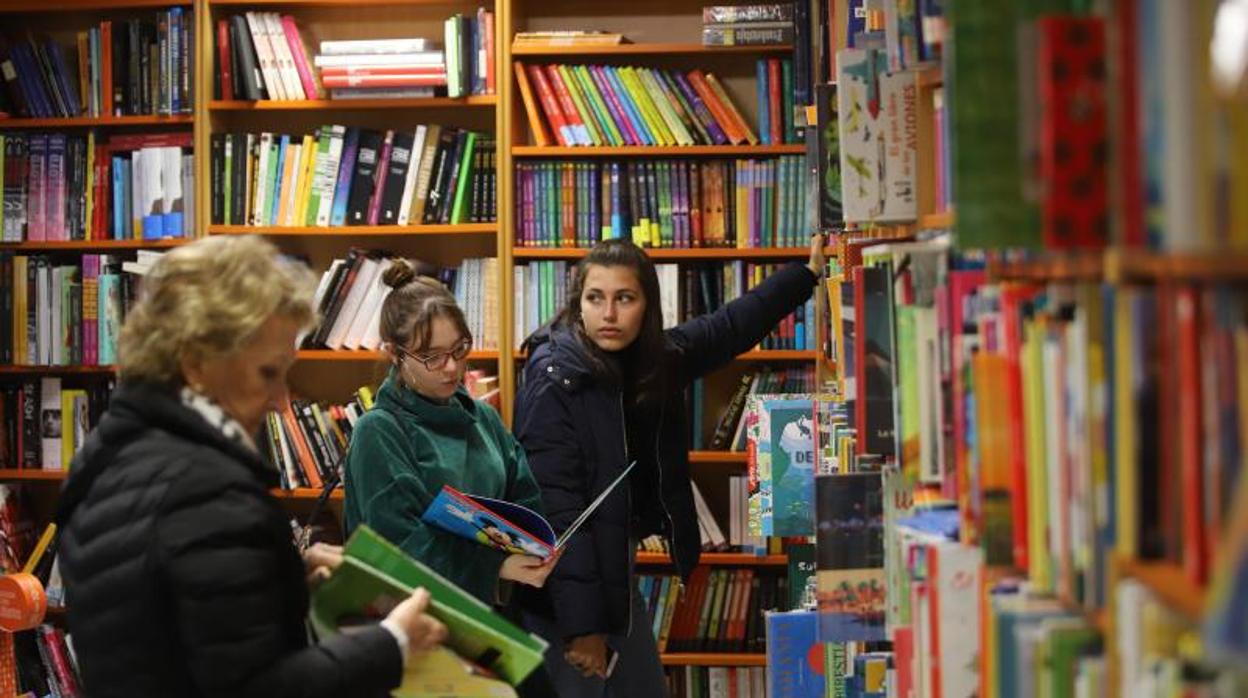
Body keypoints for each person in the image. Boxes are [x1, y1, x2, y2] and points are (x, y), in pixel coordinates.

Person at [55, 235, 447, 698]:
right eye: (267, 372)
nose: (283, 399)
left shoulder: (114, 454)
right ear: (197, 362)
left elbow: (170, 615)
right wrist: (392, 644)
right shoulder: (202, 488)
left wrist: (278, 573)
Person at [514, 235, 825, 696]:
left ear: (647, 306)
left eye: (625, 298)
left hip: (615, 567)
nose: (610, 314)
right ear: (578, 303)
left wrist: (807, 275)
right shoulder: (555, 379)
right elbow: (559, 516)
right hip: (563, 594)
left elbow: (727, 329)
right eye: (595, 298)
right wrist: (583, 629)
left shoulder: (650, 360)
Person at [343, 259, 557, 607]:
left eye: (459, 349)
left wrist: (536, 545)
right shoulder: (378, 431)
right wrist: (496, 565)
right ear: (394, 354)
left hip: (490, 612)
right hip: (412, 623)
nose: (453, 367)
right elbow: (398, 548)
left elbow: (524, 495)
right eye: (431, 357)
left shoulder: (482, 416)